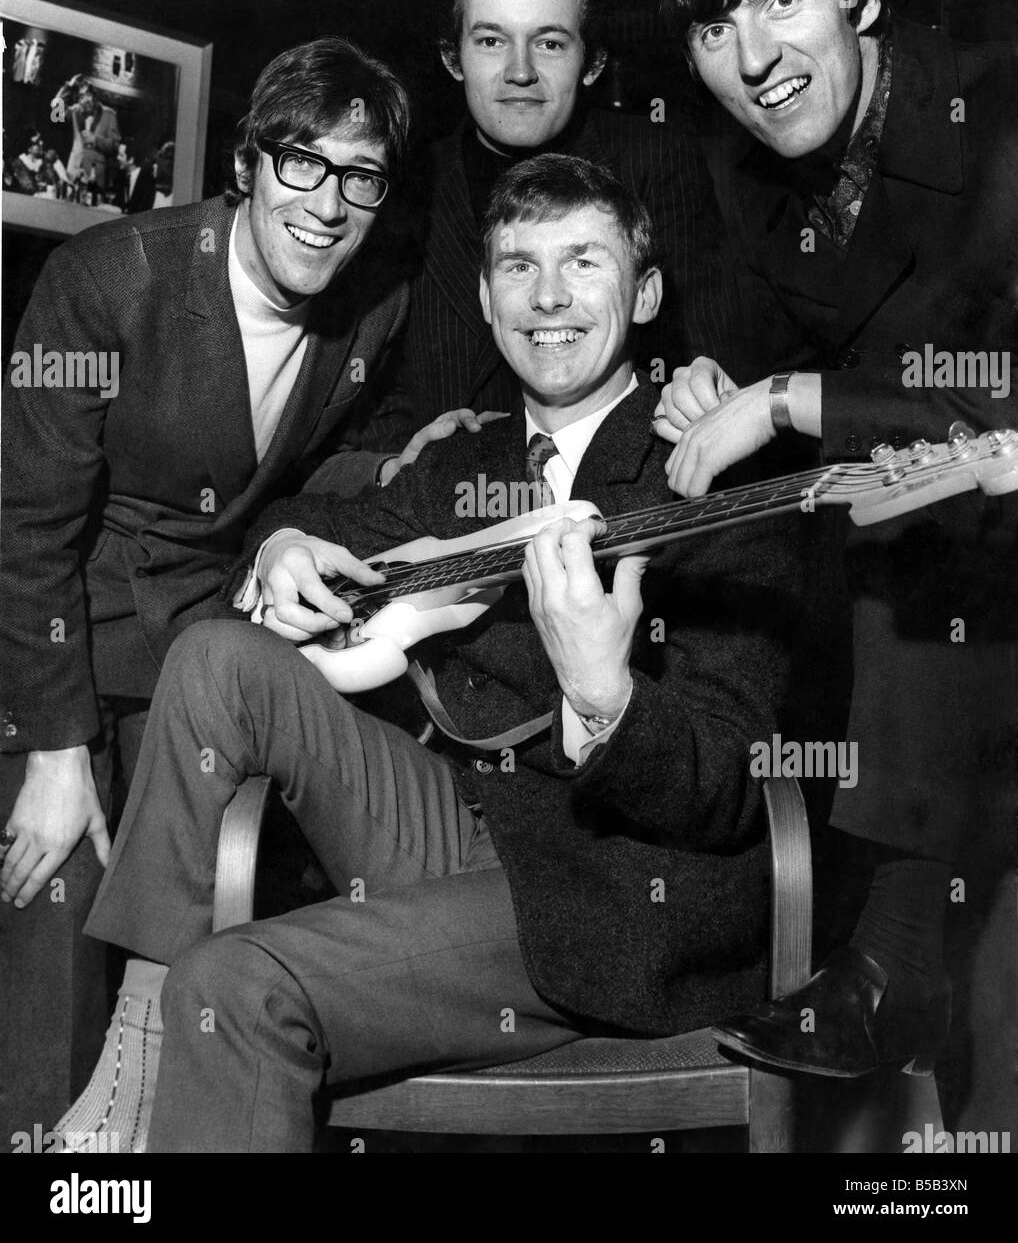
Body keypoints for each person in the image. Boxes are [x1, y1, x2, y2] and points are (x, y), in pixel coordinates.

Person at [56, 155, 845, 1152]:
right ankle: (137, 1041)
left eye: (583, 263)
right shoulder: (462, 463)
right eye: (517, 265)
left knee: (238, 985)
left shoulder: (713, 468)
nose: (547, 296)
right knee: (216, 658)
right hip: (453, 829)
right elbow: (312, 511)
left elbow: (735, 781)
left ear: (644, 294)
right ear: (480, 295)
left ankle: (164, 1060)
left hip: (611, 894)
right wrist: (282, 545)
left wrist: (608, 697)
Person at [0, 35, 479, 1144]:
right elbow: (23, 526)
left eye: (360, 177)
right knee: (50, 929)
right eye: (302, 164)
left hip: (206, 651)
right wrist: (55, 752)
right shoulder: (109, 275)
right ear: (248, 163)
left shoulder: (376, 306)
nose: (328, 204)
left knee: (198, 987)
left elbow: (313, 476)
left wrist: (293, 531)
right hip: (55, 646)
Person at [654, 0, 1018, 1078]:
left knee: (919, 511)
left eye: (780, 1)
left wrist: (786, 402)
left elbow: (998, 407)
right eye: (715, 31)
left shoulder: (997, 119)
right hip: (903, 645)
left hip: (983, 550)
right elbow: (777, 347)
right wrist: (710, 382)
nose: (752, 57)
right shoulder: (748, 171)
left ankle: (895, 967)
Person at [388, 0, 744, 437]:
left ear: (593, 63)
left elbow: (713, 357)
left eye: (550, 43)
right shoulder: (406, 183)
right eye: (491, 40)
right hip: (444, 503)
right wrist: (405, 457)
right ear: (452, 59)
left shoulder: (656, 157)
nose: (520, 72)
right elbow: (364, 386)